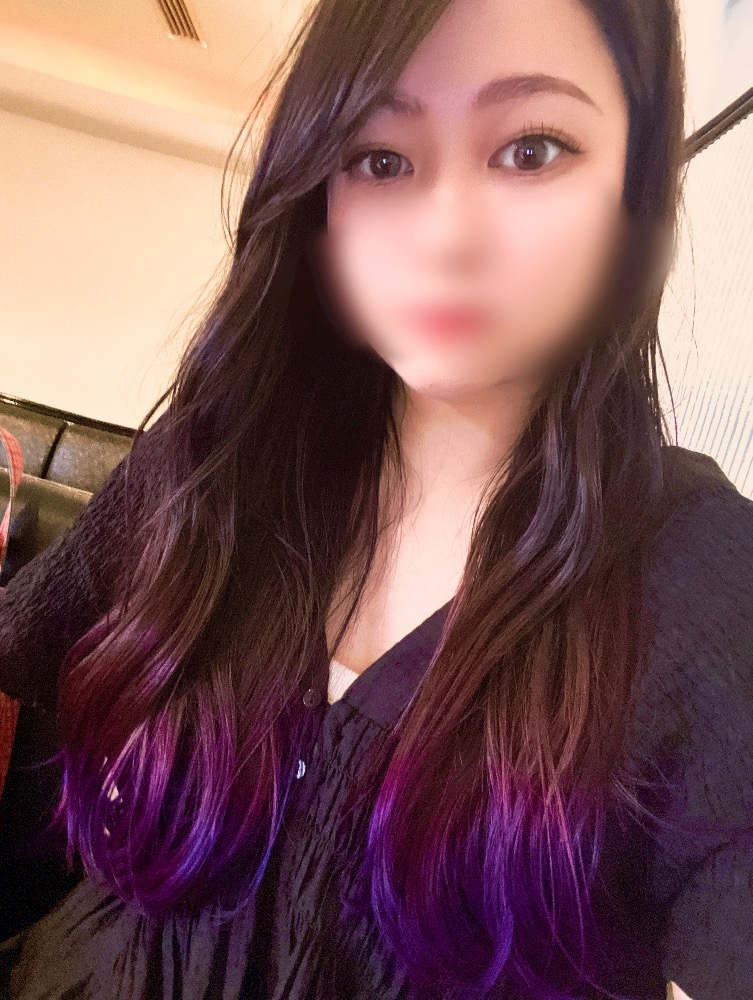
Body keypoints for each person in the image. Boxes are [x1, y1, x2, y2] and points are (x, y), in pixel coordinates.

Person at [0, 0, 751, 997]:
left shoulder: (701, 579)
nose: (445, 237)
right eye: (381, 159)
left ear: (635, 183)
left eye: (531, 150)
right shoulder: (212, 467)